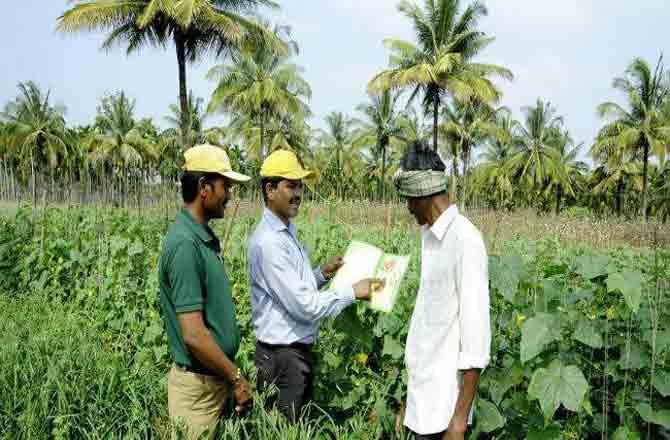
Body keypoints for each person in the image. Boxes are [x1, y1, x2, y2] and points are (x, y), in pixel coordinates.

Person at [247, 149, 383, 421]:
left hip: (289, 356)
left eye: (300, 186)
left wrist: (321, 274)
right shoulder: (270, 243)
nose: (298, 193)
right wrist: (353, 291)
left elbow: (291, 289)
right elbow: (306, 307)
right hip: (282, 360)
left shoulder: (286, 233)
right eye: (290, 185)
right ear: (270, 189)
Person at [392, 141, 491, 440]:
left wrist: (459, 421)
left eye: (409, 198)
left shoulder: (465, 240)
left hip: (445, 414)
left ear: (423, 193)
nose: (408, 207)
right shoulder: (430, 239)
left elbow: (476, 337)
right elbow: (428, 331)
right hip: (422, 405)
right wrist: (409, 404)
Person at [158, 144, 254, 439]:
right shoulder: (185, 245)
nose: (229, 195)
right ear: (204, 187)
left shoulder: (200, 238)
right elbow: (194, 335)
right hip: (197, 395)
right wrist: (236, 378)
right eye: (225, 185)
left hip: (211, 383)